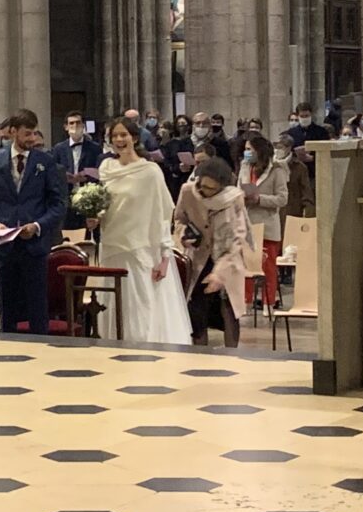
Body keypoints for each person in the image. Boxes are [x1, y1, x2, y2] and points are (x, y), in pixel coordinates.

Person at [86, 116, 192, 344]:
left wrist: (165, 255)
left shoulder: (150, 171)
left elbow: (162, 214)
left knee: (140, 304)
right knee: (113, 301)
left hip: (141, 246)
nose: (119, 139)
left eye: (123, 134)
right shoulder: (106, 167)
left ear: (134, 138)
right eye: (114, 136)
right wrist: (95, 217)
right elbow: (107, 204)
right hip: (112, 244)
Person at [0, 108, 67, 334]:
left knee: (37, 307)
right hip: (5, 246)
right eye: (27, 133)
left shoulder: (44, 162)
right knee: (7, 308)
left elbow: (57, 204)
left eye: (35, 134)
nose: (32, 139)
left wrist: (37, 226)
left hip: (34, 246)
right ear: (14, 132)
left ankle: (41, 353)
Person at [174, 157, 252, 347]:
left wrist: (220, 273)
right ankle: (199, 358)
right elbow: (179, 220)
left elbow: (237, 238)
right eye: (201, 185)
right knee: (197, 313)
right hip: (199, 259)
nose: (203, 191)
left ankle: (232, 358)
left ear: (222, 187)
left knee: (229, 312)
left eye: (210, 188)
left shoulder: (234, 199)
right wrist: (185, 235)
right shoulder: (188, 191)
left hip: (227, 260)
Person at [240, 132, 288, 311]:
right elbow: (239, 188)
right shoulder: (245, 167)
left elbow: (282, 199)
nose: (246, 153)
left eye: (249, 149)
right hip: (248, 224)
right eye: (245, 149)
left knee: (268, 268)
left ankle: (269, 303)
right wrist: (242, 196)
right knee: (247, 266)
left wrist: (259, 199)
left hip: (267, 225)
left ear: (259, 151)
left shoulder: (277, 170)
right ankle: (246, 302)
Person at [52, 111, 103, 231]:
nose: (75, 126)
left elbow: (99, 171)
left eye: (78, 123)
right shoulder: (59, 148)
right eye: (71, 123)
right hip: (66, 198)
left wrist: (86, 176)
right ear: (66, 127)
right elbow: (53, 171)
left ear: (84, 125)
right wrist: (65, 177)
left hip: (88, 198)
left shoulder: (94, 148)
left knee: (87, 235)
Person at [276, 134, 314, 222]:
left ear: (289, 148)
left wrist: (308, 214)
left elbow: (306, 191)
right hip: (273, 212)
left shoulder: (299, 167)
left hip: (292, 212)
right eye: (276, 147)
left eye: (280, 147)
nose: (277, 150)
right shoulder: (270, 165)